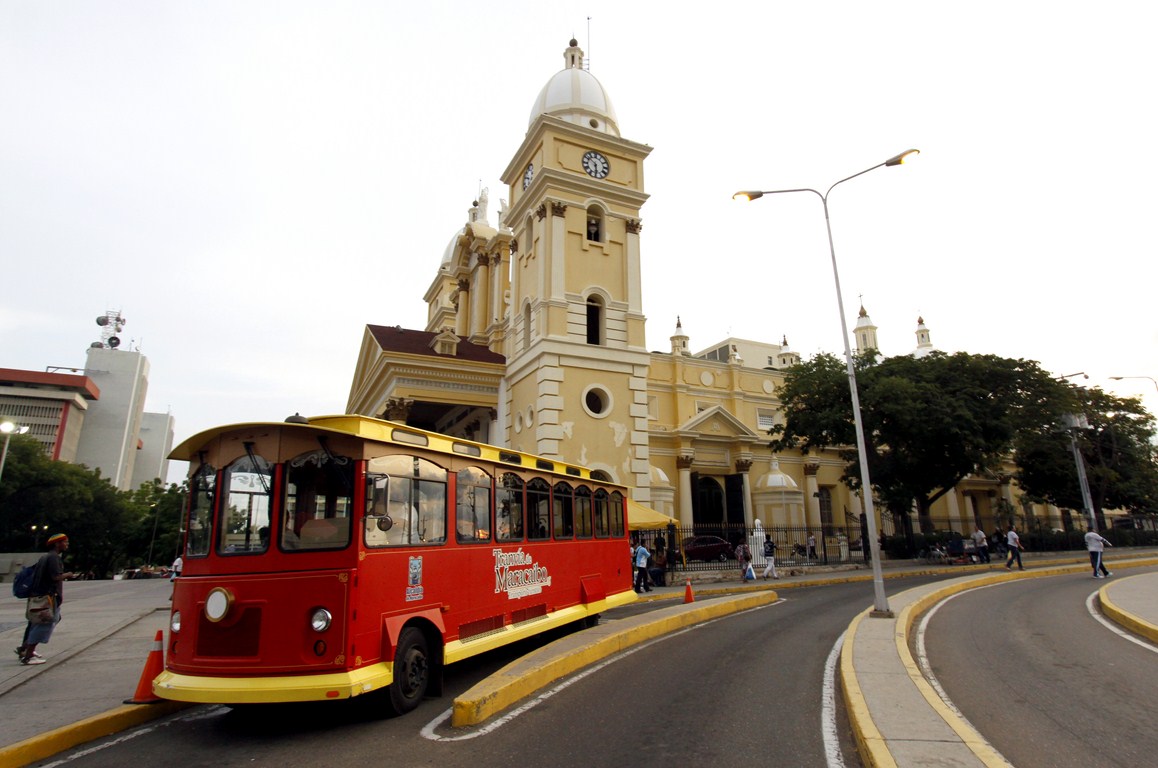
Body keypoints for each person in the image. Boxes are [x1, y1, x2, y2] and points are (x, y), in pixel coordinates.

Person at [16, 533, 75, 665]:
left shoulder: (45, 557)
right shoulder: (54, 558)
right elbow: (55, 577)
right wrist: (68, 575)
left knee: (44, 622)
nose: (67, 544)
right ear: (57, 544)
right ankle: (28, 654)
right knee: (44, 624)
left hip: (41, 596)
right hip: (47, 598)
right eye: (65, 542)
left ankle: (26, 648)